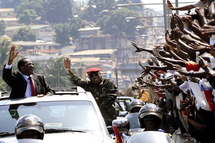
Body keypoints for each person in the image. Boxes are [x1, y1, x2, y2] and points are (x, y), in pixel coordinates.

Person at [64, 57, 118, 126]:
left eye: (96, 74)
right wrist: (68, 71)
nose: (95, 77)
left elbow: (112, 96)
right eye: (92, 76)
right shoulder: (88, 85)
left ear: (100, 74)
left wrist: (100, 106)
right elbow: (77, 81)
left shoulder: (108, 83)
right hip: (93, 116)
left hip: (108, 116)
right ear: (89, 78)